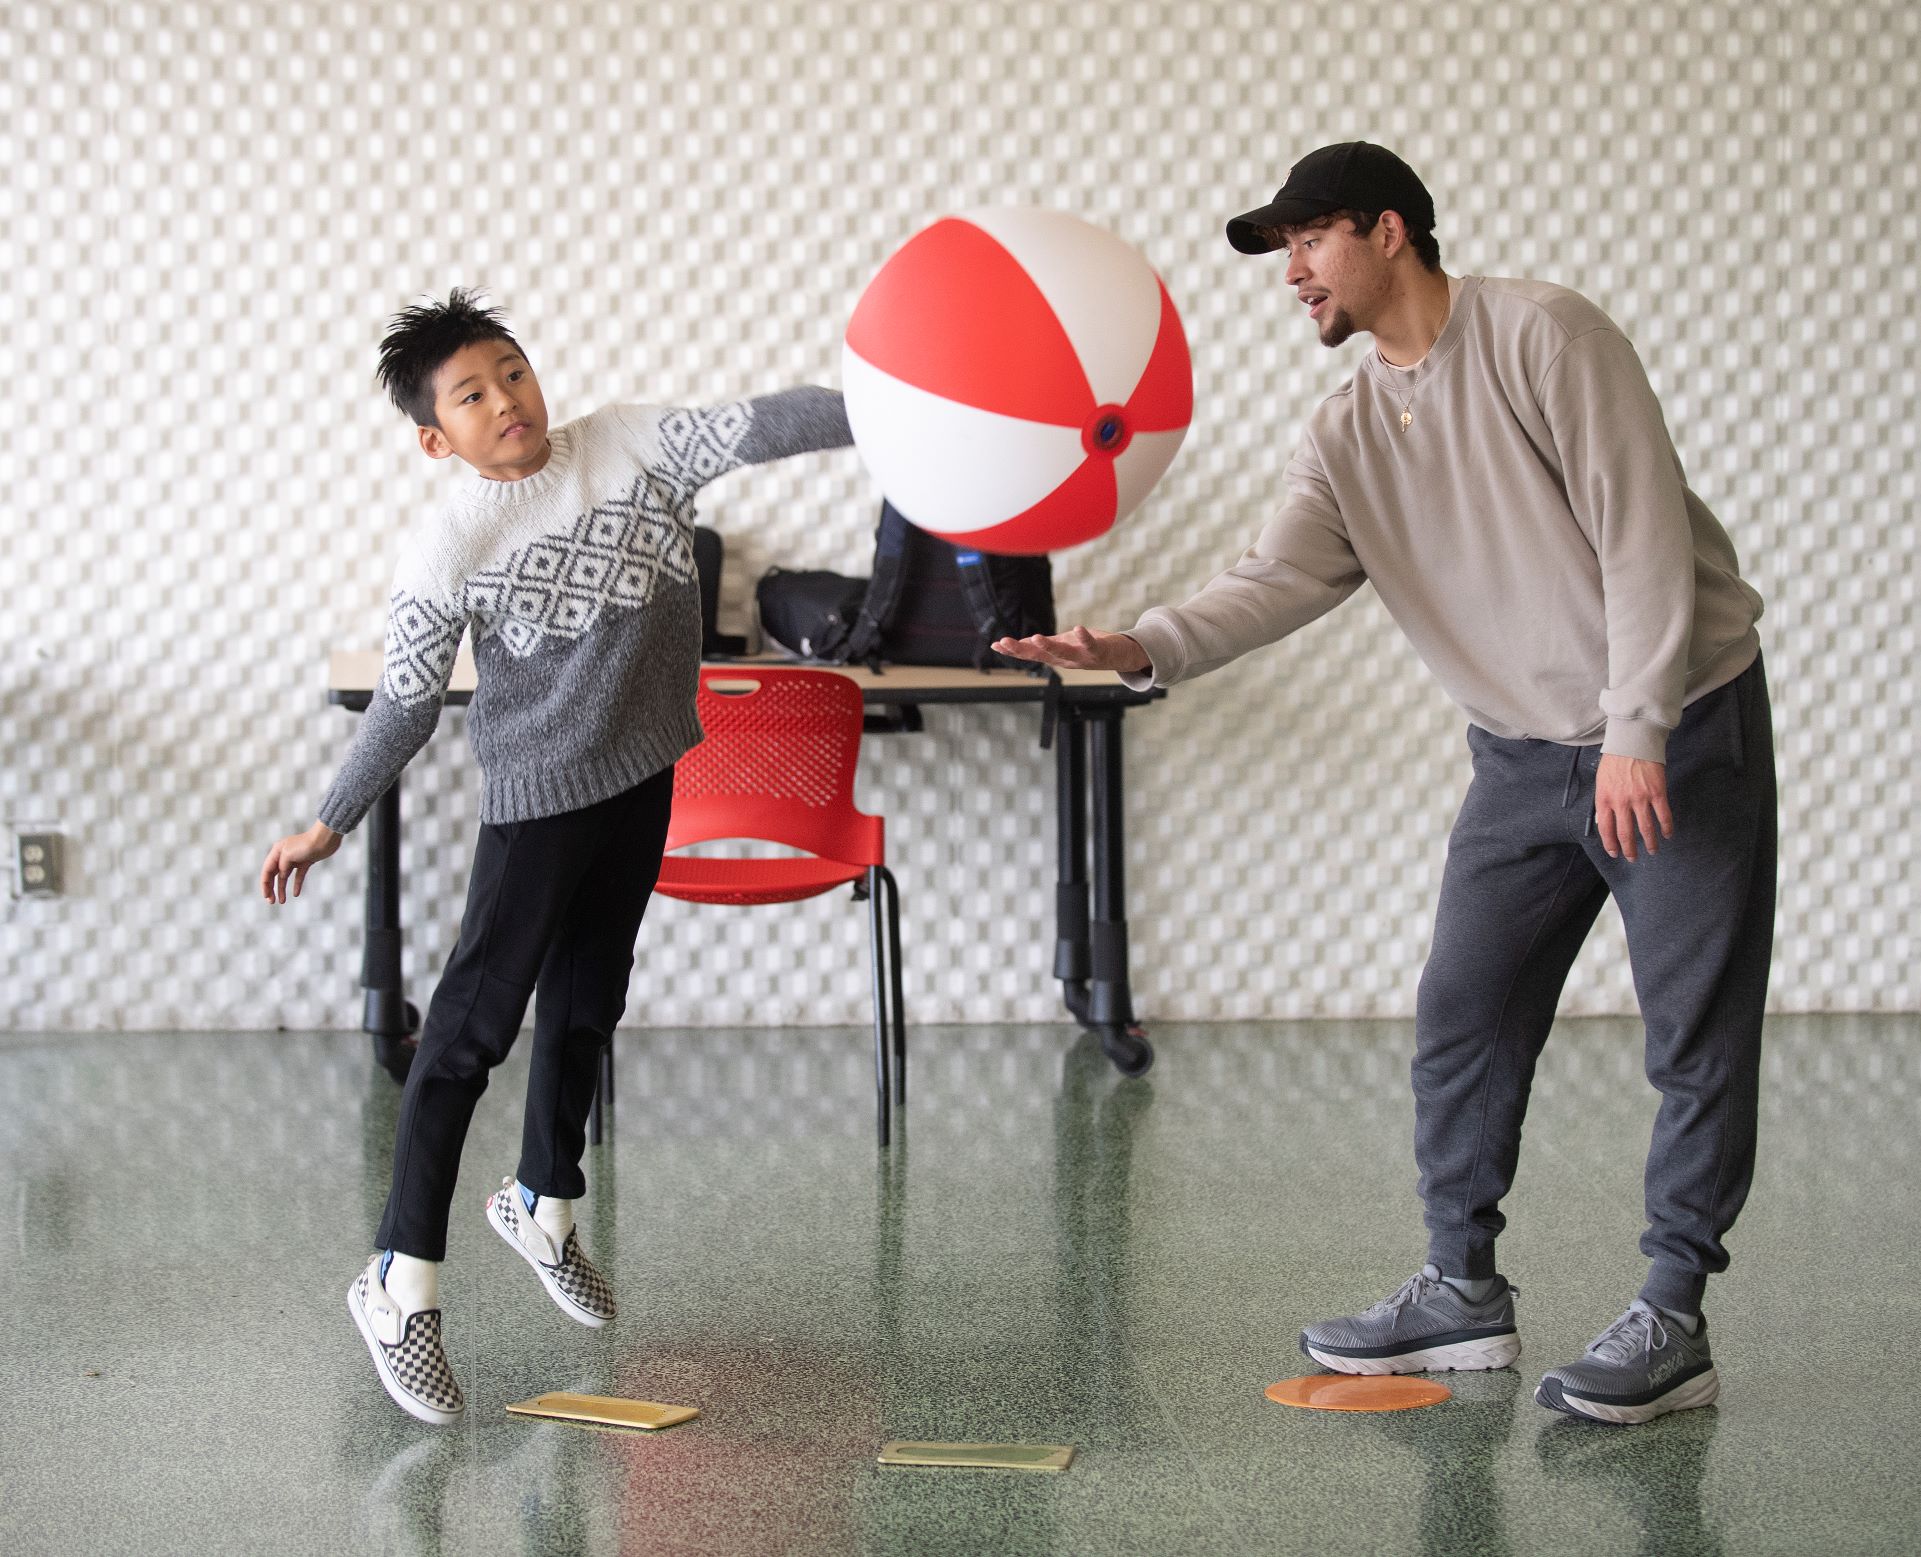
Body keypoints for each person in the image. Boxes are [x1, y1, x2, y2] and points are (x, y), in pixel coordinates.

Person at [997, 143, 1776, 1426]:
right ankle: (1460, 1290)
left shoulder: (1547, 338)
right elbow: (1274, 579)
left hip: (1676, 727)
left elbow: (1640, 535)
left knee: (1692, 1030)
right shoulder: (1348, 427)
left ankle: (1672, 1316)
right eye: (1281, 252)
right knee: (1461, 1018)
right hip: (1520, 758)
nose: (1290, 274)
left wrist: (1636, 730)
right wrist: (1136, 643)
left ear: (1389, 232)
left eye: (1308, 243)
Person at [260, 290, 851, 1425]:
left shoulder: (628, 443)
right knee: (470, 1033)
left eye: (512, 373)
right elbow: (406, 700)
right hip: (538, 803)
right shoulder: (451, 541)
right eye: (472, 396)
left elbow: (766, 422)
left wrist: (901, 416)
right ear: (437, 439)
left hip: (644, 771)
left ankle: (542, 1201)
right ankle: (397, 1281)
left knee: (586, 1008)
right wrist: (330, 816)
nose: (506, 402)